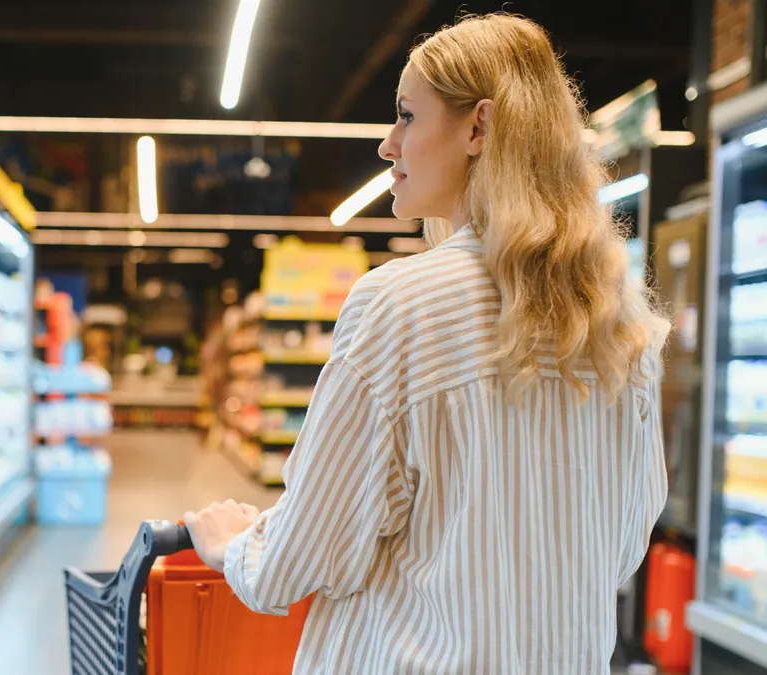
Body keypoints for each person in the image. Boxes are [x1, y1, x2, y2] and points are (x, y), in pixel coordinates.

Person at [183, 13, 670, 674]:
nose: (388, 144)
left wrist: (235, 544)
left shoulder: (398, 304)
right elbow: (618, 548)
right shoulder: (622, 321)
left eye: (407, 116)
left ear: (479, 128)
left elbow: (298, 559)